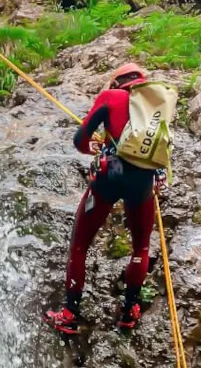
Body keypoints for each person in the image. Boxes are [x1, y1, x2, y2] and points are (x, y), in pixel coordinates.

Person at [45, 63, 166, 336]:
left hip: (111, 175)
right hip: (143, 182)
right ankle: (128, 313)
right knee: (141, 249)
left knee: (79, 245)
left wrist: (93, 148)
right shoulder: (156, 104)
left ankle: (69, 315)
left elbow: (80, 139)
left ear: (117, 82)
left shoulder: (111, 97)